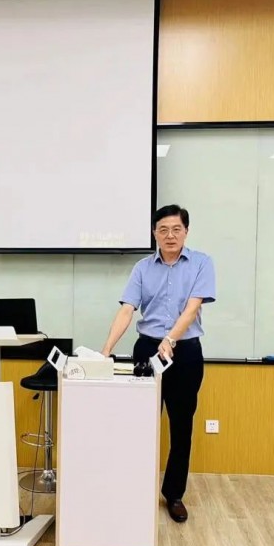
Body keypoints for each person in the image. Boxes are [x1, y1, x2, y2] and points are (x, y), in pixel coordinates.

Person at [101, 204, 215, 523]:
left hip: (185, 352)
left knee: (181, 426)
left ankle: (174, 494)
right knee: (140, 423)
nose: (170, 235)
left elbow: (192, 309)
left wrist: (171, 339)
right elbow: (127, 309)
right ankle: (135, 488)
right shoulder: (142, 268)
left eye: (176, 229)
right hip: (147, 350)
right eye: (163, 230)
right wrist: (106, 350)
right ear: (154, 233)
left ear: (186, 232)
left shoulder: (202, 263)